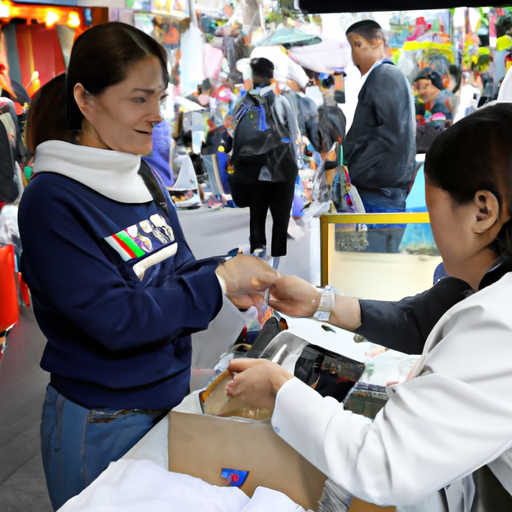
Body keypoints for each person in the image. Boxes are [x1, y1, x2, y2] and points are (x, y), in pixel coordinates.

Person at [17, 23, 279, 511]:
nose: (157, 116)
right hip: (102, 417)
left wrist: (229, 273)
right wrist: (219, 282)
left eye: (158, 98)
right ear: (85, 99)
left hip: (167, 397)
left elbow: (174, 266)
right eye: (139, 99)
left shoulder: (138, 175)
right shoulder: (52, 199)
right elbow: (116, 319)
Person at [226, 104, 512, 511]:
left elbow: (383, 464)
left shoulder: (499, 323)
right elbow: (415, 319)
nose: (431, 229)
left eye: (432, 211)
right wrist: (318, 303)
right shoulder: (483, 284)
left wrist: (280, 389)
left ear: (483, 211)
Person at [343, 20, 416, 252]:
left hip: (378, 198)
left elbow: (391, 140)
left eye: (358, 44)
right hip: (380, 195)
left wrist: (352, 171)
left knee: (368, 269)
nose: (354, 55)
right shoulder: (386, 76)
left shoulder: (385, 75)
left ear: (377, 42)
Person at [229, 57, 299, 260]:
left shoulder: (243, 103)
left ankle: (258, 257)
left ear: (255, 75)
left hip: (256, 172)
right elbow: (293, 136)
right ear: (271, 76)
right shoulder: (283, 101)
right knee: (280, 219)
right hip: (283, 169)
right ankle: (278, 261)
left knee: (257, 218)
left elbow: (234, 134)